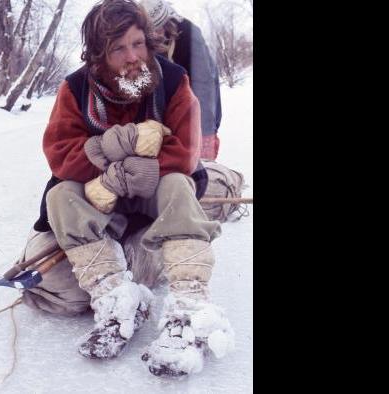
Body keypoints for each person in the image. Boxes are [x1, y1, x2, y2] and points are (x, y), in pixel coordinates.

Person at [25, 0, 233, 377]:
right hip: (101, 193)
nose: (132, 56)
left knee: (177, 185)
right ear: (97, 56)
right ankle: (118, 301)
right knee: (60, 195)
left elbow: (185, 149)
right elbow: (60, 154)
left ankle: (189, 308)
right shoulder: (75, 88)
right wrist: (108, 158)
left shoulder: (172, 79)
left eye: (137, 43)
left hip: (153, 186)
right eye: (118, 48)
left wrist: (143, 169)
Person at [140, 0, 223, 161]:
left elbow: (204, 86)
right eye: (151, 30)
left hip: (200, 112)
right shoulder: (143, 44)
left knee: (200, 169)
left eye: (160, 26)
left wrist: (206, 133)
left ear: (168, 21)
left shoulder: (189, 35)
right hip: (169, 119)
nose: (158, 34)